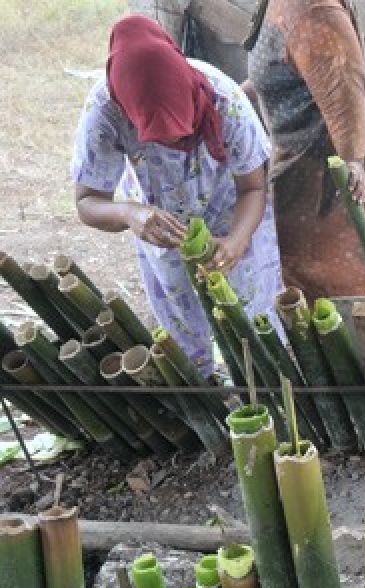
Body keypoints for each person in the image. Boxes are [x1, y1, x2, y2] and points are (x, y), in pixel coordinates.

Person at [72, 14, 283, 373]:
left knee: (254, 325)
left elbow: (253, 186)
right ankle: (204, 401)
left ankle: (264, 393)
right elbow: (86, 202)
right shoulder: (104, 111)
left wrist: (235, 240)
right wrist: (131, 214)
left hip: (233, 210)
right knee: (183, 333)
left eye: (184, 133)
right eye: (159, 137)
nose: (175, 144)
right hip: (161, 222)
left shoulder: (223, 99)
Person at [244, 0, 365, 300]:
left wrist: (353, 161)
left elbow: (341, 85)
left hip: (328, 167)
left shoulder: (312, 14)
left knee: (345, 275)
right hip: (302, 154)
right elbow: (280, 68)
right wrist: (234, 96)